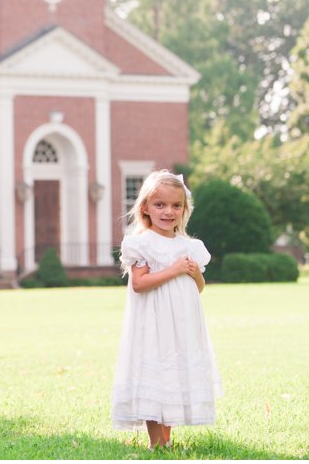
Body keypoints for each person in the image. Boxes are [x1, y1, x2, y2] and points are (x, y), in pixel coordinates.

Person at [110, 170, 223, 449]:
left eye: (176, 205)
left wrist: (194, 273)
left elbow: (197, 288)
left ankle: (167, 440)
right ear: (146, 207)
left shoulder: (190, 246)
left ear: (184, 209)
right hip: (154, 322)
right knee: (155, 375)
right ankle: (155, 442)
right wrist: (174, 269)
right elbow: (139, 284)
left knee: (172, 376)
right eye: (160, 205)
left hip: (181, 324)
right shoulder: (143, 243)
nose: (168, 212)